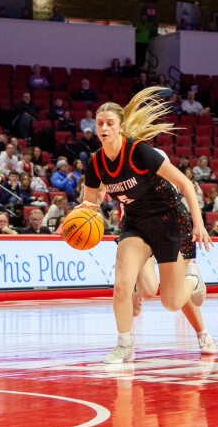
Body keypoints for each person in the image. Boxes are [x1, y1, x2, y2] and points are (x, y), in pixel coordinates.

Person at [77, 86, 210, 364]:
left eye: (109, 123)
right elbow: (91, 202)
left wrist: (199, 223)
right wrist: (80, 215)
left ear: (120, 127)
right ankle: (124, 345)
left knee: (171, 301)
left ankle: (193, 279)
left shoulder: (140, 152)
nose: (103, 128)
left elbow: (185, 183)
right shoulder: (95, 162)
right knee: (123, 286)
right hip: (135, 224)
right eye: (99, 123)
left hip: (169, 220)